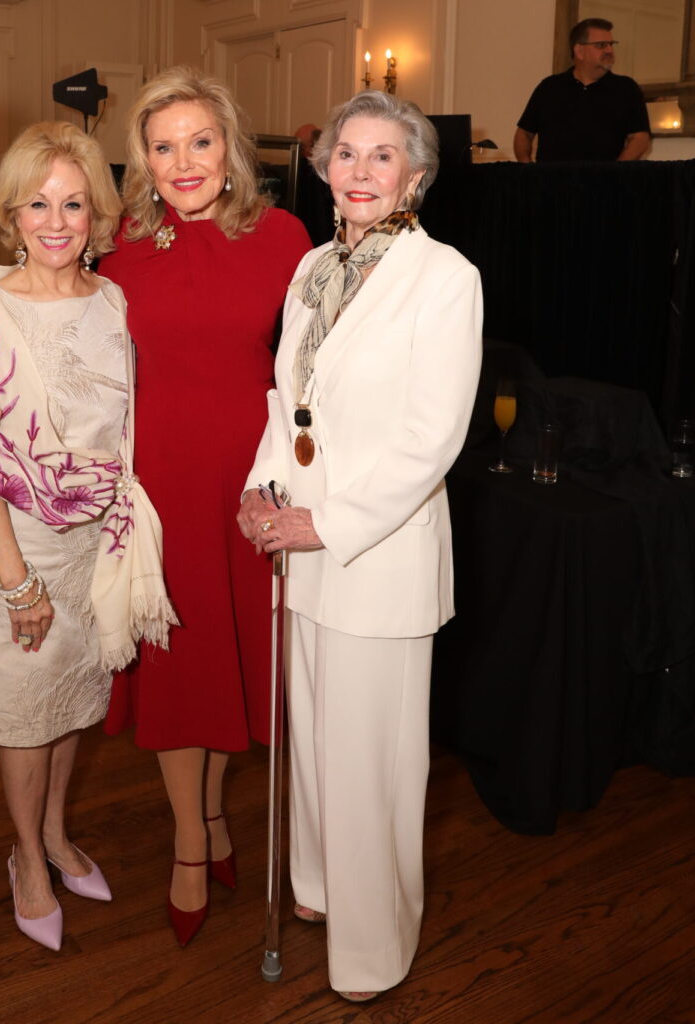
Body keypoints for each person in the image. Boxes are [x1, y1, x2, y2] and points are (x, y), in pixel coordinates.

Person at [237, 90, 482, 1003]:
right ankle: (320, 886)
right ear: (324, 168)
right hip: (301, 547)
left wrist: (325, 523)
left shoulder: (445, 277)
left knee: (372, 754)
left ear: (415, 175)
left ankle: (374, 946)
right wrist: (261, 490)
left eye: (385, 157)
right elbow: (289, 402)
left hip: (376, 554)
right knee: (317, 741)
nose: (363, 171)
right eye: (348, 154)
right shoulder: (310, 270)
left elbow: (433, 438)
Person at [0, 122, 174, 953]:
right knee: (21, 714)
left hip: (91, 541)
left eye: (73, 203)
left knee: (72, 702)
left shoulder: (112, 300)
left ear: (96, 214)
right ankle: (25, 859)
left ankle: (53, 832)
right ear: (11, 212)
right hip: (16, 544)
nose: (55, 220)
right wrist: (15, 582)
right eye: (38, 203)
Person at [99, 66, 311, 946]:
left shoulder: (288, 237)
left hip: (252, 483)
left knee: (231, 657)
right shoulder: (114, 245)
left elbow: (312, 374)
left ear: (230, 147)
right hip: (158, 485)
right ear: (141, 161)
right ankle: (191, 839)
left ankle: (217, 815)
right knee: (181, 663)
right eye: (162, 146)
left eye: (199, 141)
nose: (182, 161)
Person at [514, 17, 650, 162]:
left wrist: (614, 173)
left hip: (603, 183)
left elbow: (640, 138)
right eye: (601, 45)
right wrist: (528, 172)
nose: (609, 50)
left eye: (611, 44)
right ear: (579, 51)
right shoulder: (549, 87)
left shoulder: (626, 89)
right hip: (550, 183)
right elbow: (524, 133)